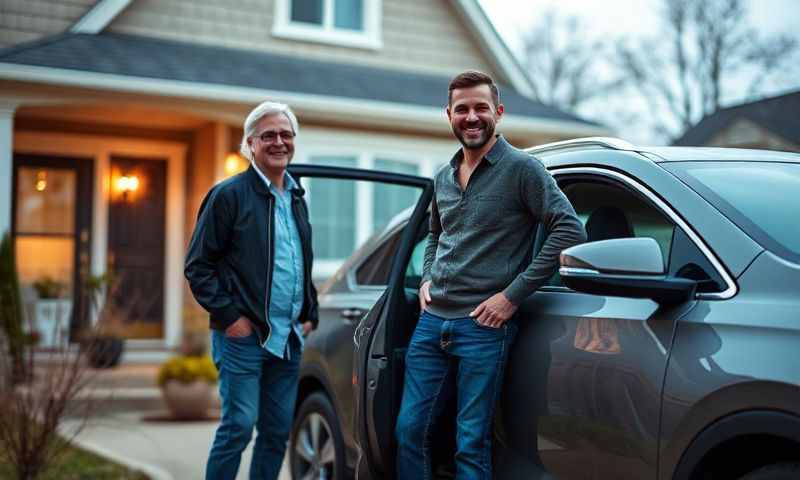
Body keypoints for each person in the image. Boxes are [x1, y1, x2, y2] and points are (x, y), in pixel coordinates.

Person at [394, 71, 587, 479]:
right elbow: (435, 235)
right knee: (409, 431)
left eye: (481, 107)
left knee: (470, 440)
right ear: (448, 115)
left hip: (482, 327)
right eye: (461, 109)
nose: (471, 117)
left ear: (498, 112)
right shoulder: (443, 178)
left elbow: (570, 228)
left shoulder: (522, 170)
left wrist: (511, 296)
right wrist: (427, 276)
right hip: (431, 324)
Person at [185, 101, 318, 480]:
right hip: (244, 337)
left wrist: (311, 311)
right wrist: (231, 318)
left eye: (286, 135)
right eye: (269, 135)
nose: (279, 142)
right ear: (251, 144)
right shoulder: (228, 195)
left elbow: (299, 262)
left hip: (288, 338)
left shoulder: (296, 198)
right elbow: (198, 266)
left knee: (277, 432)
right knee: (239, 426)